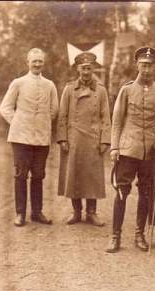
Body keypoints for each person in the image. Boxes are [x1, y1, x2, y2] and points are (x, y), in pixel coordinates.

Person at [106, 47, 155, 253]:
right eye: (143, 64)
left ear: (154, 67)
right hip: (128, 148)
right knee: (121, 192)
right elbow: (116, 121)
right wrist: (115, 147)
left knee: (145, 192)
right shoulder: (126, 90)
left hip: (151, 151)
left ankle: (139, 234)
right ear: (137, 65)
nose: (146, 69)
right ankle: (115, 236)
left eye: (150, 65)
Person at [0, 48, 58, 227]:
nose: (37, 64)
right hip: (20, 137)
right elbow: (5, 107)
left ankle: (37, 212)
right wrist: (18, 122)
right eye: (34, 61)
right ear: (28, 62)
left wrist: (41, 123)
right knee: (20, 175)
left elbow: (54, 110)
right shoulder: (18, 83)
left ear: (43, 63)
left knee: (39, 175)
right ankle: (20, 213)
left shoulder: (50, 85)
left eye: (40, 61)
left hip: (41, 138)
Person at [56, 52, 111, 226]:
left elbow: (106, 117)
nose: (86, 72)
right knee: (74, 174)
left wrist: (105, 140)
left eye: (89, 68)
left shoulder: (101, 90)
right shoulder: (69, 89)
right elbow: (62, 115)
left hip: (93, 139)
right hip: (74, 139)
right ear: (78, 69)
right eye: (83, 68)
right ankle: (77, 212)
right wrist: (63, 138)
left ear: (93, 68)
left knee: (92, 176)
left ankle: (92, 212)